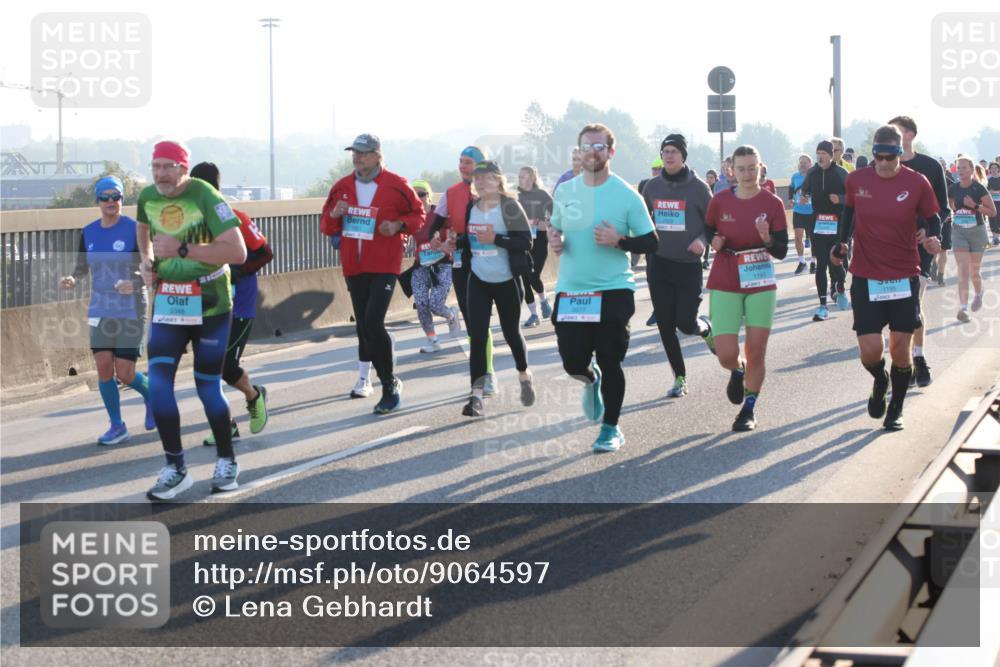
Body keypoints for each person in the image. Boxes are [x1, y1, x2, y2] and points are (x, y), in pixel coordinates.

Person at [137, 141, 248, 500]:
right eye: (155, 166)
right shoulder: (147, 197)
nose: (160, 174)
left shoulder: (204, 195)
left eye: (168, 166)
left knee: (206, 387)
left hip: (211, 302)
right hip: (170, 301)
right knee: (157, 385)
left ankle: (227, 460)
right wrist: (147, 262)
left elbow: (237, 251)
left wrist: (184, 250)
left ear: (183, 168)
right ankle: (175, 468)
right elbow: (143, 230)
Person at [548, 123, 658, 452]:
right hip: (572, 291)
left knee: (611, 360)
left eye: (599, 147)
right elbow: (556, 229)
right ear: (579, 151)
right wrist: (556, 239)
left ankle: (611, 428)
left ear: (611, 152)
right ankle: (589, 378)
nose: (592, 152)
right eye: (586, 146)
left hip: (613, 289)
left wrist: (620, 240)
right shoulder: (565, 191)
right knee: (572, 362)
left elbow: (652, 242)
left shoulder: (626, 194)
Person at [831, 125, 941, 431]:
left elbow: (933, 217)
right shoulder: (857, 179)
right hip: (866, 274)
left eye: (888, 156)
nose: (881, 162)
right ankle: (881, 379)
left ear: (898, 153)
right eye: (877, 155)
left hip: (903, 273)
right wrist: (842, 243)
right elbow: (848, 214)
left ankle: (896, 409)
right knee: (870, 350)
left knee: (899, 349)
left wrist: (932, 236)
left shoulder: (917, 182)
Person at [321, 134, 425, 415]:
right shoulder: (342, 186)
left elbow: (420, 215)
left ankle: (389, 385)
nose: (357, 157)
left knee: (373, 321)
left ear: (378, 155)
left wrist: (399, 224)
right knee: (365, 329)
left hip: (384, 265)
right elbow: (326, 226)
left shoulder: (397, 184)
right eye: (354, 153)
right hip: (354, 266)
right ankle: (386, 371)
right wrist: (335, 214)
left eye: (363, 153)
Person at [60, 176, 153, 445]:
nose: (111, 202)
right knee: (103, 367)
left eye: (116, 197)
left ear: (123, 199)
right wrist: (72, 279)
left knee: (124, 372)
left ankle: (152, 397)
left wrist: (133, 282)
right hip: (101, 306)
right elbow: (81, 268)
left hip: (131, 306)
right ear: (97, 201)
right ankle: (117, 425)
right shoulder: (88, 232)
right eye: (105, 197)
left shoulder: (136, 229)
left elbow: (150, 268)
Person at [705, 145, 789, 431]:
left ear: (760, 168)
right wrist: (712, 241)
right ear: (732, 170)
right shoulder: (719, 201)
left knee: (757, 350)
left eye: (752, 168)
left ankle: (749, 409)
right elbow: (707, 229)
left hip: (760, 278)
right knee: (727, 353)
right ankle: (736, 370)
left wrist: (766, 237)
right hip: (727, 276)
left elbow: (780, 251)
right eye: (741, 169)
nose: (747, 174)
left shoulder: (773, 203)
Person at [188, 162, 273, 445]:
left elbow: (265, 253)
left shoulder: (234, 216)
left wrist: (236, 269)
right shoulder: (189, 223)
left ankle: (254, 395)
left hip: (239, 304)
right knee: (205, 367)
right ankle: (226, 425)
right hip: (204, 305)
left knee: (224, 365)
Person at [448, 160, 536, 417]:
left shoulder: (509, 206)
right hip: (478, 278)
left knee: (511, 333)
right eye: (477, 179)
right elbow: (471, 238)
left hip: (506, 279)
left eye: (487, 178)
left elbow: (526, 241)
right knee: (477, 337)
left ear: (498, 180)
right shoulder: (472, 207)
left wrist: (496, 239)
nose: (481, 183)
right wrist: (455, 242)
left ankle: (524, 375)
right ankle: (475, 397)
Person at [640, 134, 716, 398]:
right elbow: (642, 220)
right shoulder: (651, 187)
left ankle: (705, 328)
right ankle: (680, 377)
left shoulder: (698, 188)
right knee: (664, 323)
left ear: (683, 156)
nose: (669, 155)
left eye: (673, 151)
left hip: (688, 265)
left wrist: (702, 239)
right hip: (659, 264)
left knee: (685, 323)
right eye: (665, 151)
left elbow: (713, 222)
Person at [424, 146, 500, 395]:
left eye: (467, 162)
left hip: (489, 261)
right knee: (472, 321)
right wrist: (436, 238)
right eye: (460, 162)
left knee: (486, 322)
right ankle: (483, 373)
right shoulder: (451, 192)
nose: (462, 166)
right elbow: (434, 225)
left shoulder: (494, 193)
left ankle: (488, 372)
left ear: (480, 165)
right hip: (460, 261)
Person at [888, 116, 951, 387]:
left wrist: (931, 234)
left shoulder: (929, 166)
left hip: (920, 246)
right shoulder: (883, 167)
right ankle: (900, 360)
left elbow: (942, 209)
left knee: (913, 300)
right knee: (892, 306)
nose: (891, 139)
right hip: (888, 247)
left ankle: (918, 357)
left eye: (897, 133)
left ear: (910, 135)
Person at [408, 179, 461, 353]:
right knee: (422, 303)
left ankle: (451, 315)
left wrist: (447, 242)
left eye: (421, 194)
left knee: (435, 304)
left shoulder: (440, 215)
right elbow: (403, 233)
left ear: (429, 197)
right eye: (414, 194)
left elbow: (456, 231)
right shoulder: (412, 217)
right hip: (421, 265)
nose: (418, 197)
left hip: (443, 265)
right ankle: (433, 341)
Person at [801, 140, 850, 320]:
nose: (820, 156)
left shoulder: (840, 173)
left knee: (836, 262)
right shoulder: (813, 172)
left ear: (831, 155)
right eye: (818, 153)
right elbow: (805, 190)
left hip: (837, 225)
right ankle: (822, 306)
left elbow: (854, 197)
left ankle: (841, 288)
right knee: (821, 265)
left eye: (824, 153)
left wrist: (841, 199)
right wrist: (804, 198)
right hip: (819, 225)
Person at [948, 155, 997, 322]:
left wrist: (975, 206)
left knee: (974, 271)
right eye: (958, 168)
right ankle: (963, 309)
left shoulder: (979, 189)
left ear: (971, 170)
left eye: (964, 168)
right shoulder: (953, 188)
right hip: (959, 232)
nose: (961, 171)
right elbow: (950, 204)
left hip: (977, 232)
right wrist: (952, 211)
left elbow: (992, 212)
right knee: (963, 270)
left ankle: (979, 292)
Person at [517, 166, 554, 327]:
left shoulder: (542, 194)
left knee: (533, 276)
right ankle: (533, 315)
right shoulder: (516, 197)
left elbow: (556, 213)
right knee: (524, 279)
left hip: (539, 242)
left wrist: (547, 224)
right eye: (519, 177)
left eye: (523, 176)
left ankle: (544, 301)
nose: (520, 180)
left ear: (532, 178)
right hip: (523, 242)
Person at [789, 154, 815, 275]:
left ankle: (813, 262)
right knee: (798, 237)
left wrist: (808, 198)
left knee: (814, 239)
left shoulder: (815, 176)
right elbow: (791, 188)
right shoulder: (795, 176)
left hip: (812, 211)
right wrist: (790, 199)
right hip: (798, 211)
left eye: (805, 162)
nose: (802, 164)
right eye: (800, 162)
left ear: (810, 163)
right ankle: (802, 261)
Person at [987, 162, 1000, 245]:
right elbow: (986, 191)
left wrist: (994, 192)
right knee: (992, 218)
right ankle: (995, 237)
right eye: (992, 168)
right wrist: (990, 192)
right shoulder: (987, 179)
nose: (994, 170)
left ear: (998, 169)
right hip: (991, 202)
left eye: (995, 168)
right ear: (990, 170)